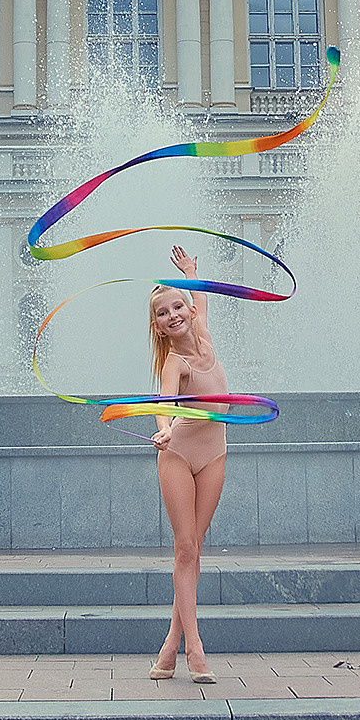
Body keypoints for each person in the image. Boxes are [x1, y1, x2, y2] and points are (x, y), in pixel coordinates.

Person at [147, 246, 225, 684]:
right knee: (185, 548)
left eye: (178, 306)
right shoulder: (174, 362)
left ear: (190, 311)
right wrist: (164, 428)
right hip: (177, 454)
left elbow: (202, 298)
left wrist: (191, 272)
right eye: (162, 313)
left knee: (194, 549)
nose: (172, 315)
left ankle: (170, 646)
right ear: (158, 328)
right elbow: (164, 400)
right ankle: (196, 649)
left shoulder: (207, 339)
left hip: (214, 453)